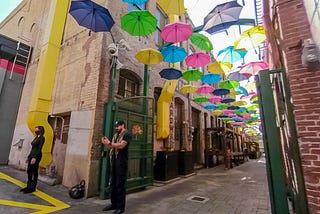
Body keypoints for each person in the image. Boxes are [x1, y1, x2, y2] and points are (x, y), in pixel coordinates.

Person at [101, 120, 132, 214]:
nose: (116, 128)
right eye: (116, 126)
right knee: (113, 184)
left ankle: (120, 207)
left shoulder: (127, 134)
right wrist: (106, 143)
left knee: (120, 185)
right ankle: (113, 204)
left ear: (123, 125)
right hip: (114, 160)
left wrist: (110, 143)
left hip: (121, 162)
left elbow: (121, 145)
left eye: (118, 126)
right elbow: (111, 147)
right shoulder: (115, 135)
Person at [20, 126, 45, 193]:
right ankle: (28, 186)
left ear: (40, 130)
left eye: (37, 130)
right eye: (35, 130)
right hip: (32, 155)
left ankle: (33, 187)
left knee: (34, 171)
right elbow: (33, 148)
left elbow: (39, 148)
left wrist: (35, 157)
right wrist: (29, 157)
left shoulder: (42, 138)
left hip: (37, 156)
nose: (35, 131)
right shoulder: (36, 137)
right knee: (29, 171)